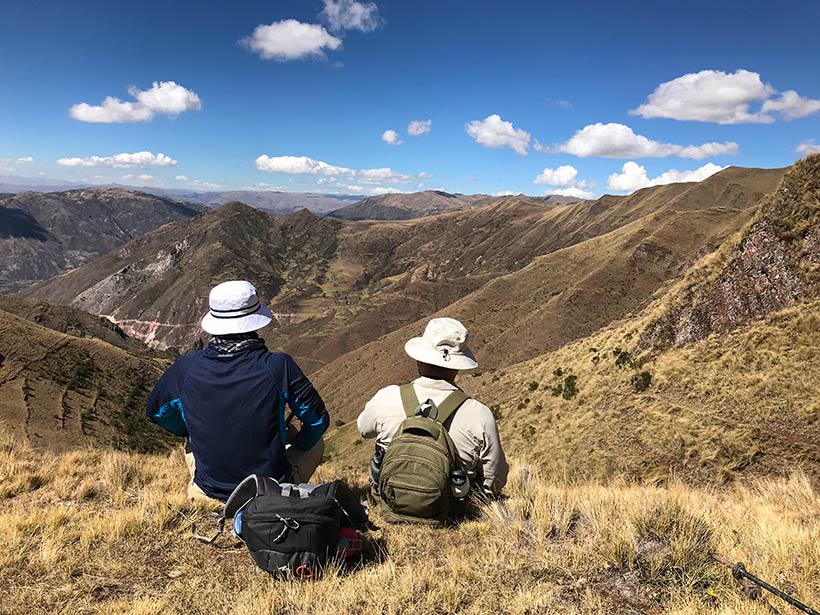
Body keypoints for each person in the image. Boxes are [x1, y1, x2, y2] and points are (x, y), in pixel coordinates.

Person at [146, 280, 329, 501]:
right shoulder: (278, 366)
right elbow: (317, 420)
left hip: (208, 493)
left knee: (192, 439)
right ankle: (285, 485)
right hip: (269, 492)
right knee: (314, 443)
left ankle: (202, 488)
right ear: (255, 322)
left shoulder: (186, 368)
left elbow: (156, 411)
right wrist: (297, 446)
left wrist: (192, 426)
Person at [357, 317, 508, 499]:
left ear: (419, 360)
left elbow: (364, 429)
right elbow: (496, 478)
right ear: (457, 367)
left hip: (390, 499)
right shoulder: (479, 414)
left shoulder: (387, 397)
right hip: (451, 507)